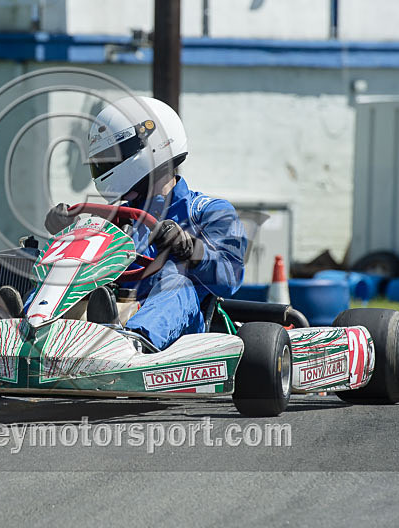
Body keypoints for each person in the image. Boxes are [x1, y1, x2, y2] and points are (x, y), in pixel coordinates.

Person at [44, 96, 248, 349]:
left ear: (153, 146)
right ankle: (28, 326)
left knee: (175, 277)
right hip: (116, 309)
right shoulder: (117, 218)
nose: (105, 167)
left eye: (111, 158)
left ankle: (133, 343)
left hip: (180, 327)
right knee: (65, 269)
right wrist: (67, 238)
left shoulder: (209, 211)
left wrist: (190, 250)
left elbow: (231, 278)